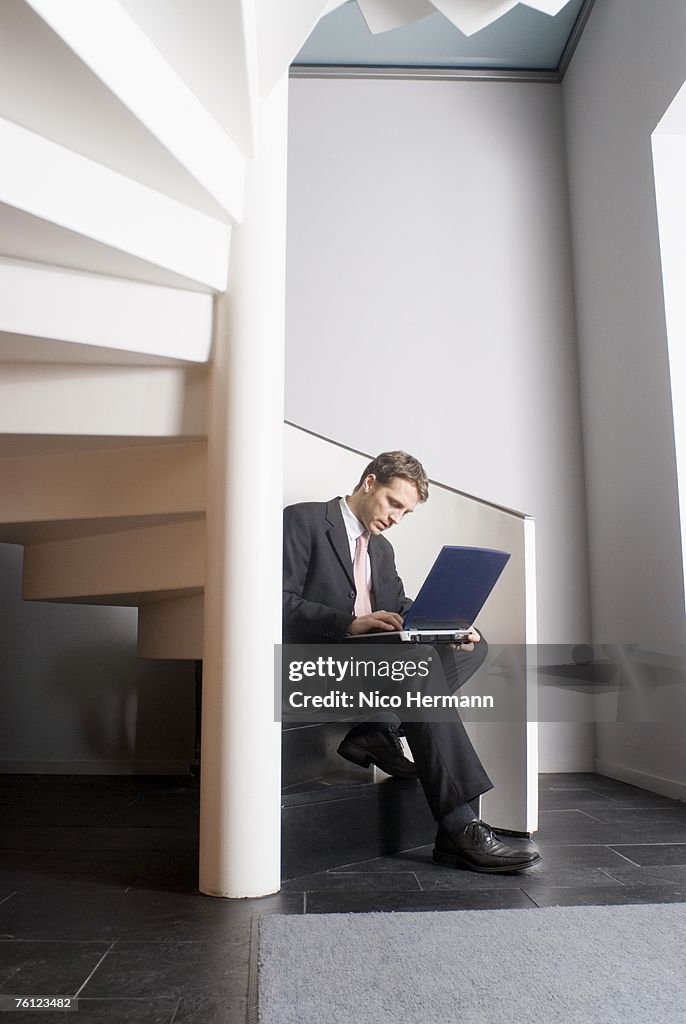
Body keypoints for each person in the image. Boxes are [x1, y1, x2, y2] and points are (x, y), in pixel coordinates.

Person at [283, 451, 540, 873]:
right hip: (319, 659)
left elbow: (398, 606)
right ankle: (459, 825)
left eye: (406, 511)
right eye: (393, 503)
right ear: (369, 483)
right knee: (418, 662)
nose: (397, 518)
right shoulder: (304, 521)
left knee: (474, 646)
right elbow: (278, 602)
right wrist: (350, 623)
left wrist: (448, 625)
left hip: (372, 662)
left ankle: (377, 729)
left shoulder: (381, 551)